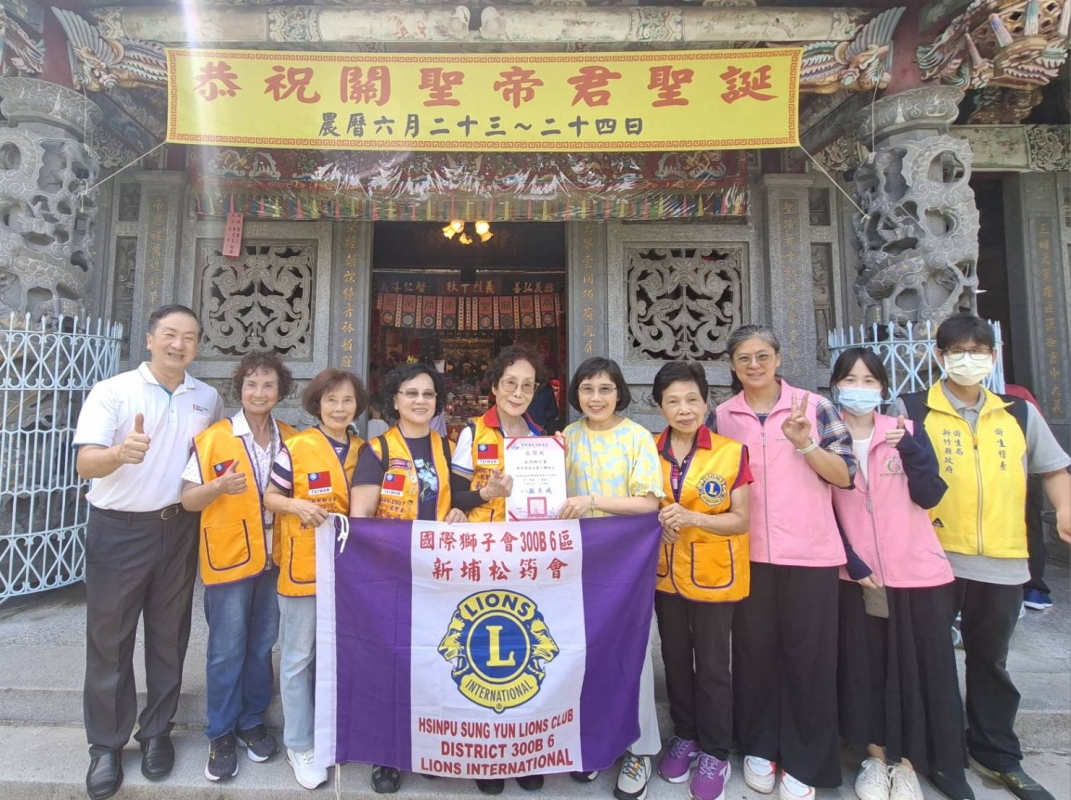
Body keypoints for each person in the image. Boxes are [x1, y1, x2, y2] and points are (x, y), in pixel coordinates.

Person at [891, 315, 1070, 800]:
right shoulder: (912, 409)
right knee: (933, 662)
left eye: (978, 351)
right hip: (933, 558)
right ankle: (942, 755)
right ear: (939, 355)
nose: (967, 359)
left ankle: (997, 754)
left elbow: (1053, 468)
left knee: (990, 660)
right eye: (957, 351)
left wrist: (1065, 508)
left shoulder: (1017, 413)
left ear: (993, 356)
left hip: (1004, 558)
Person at [74, 304, 224, 800]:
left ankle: (157, 730)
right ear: (150, 338)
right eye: (170, 335)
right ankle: (106, 746)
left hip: (177, 528)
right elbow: (85, 464)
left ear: (198, 346)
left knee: (169, 636)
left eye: (190, 337)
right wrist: (120, 454)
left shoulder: (207, 398)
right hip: (118, 530)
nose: (179, 345)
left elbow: (209, 462)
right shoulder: (114, 390)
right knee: (110, 641)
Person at [713, 324, 855, 800]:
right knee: (754, 654)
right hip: (747, 553)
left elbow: (845, 475)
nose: (753, 365)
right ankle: (758, 746)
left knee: (809, 659)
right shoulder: (723, 416)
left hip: (810, 553)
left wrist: (805, 443)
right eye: (743, 358)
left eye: (762, 356)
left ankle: (806, 758)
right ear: (732, 366)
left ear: (777, 359)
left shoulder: (815, 407)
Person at [829, 347, 970, 800]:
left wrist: (910, 450)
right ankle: (874, 757)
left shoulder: (906, 431)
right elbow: (822, 508)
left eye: (869, 381)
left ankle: (908, 763)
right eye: (850, 380)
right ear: (835, 386)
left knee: (918, 670)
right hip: (858, 577)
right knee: (865, 668)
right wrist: (851, 560)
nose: (860, 388)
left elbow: (930, 495)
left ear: (884, 388)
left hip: (917, 572)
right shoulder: (825, 438)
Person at [180, 352, 297, 782]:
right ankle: (221, 733)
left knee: (262, 643)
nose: (259, 393)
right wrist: (217, 486)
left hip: (275, 557)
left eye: (268, 385)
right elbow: (188, 500)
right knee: (226, 647)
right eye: (251, 385)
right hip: (229, 556)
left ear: (280, 391)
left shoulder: (292, 438)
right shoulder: (214, 438)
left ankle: (252, 721)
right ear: (239, 390)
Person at [350, 362, 466, 794]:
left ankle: (432, 747)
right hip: (391, 578)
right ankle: (387, 753)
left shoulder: (447, 447)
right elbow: (361, 517)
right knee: (391, 665)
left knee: (436, 662)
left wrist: (465, 508)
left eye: (428, 394)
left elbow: (461, 497)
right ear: (395, 400)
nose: (420, 401)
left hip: (438, 576)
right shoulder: (377, 450)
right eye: (411, 393)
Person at [558, 357, 663, 800]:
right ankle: (598, 740)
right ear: (576, 394)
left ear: (619, 392)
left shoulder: (637, 437)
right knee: (588, 654)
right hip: (579, 564)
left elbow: (649, 503)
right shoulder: (566, 438)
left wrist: (592, 500)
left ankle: (640, 749)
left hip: (625, 565)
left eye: (605, 388)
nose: (596, 398)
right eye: (587, 389)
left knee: (631, 655)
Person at [448, 343, 547, 794]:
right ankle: (485, 755)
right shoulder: (472, 432)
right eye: (510, 383)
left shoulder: (543, 438)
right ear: (494, 386)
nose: (518, 392)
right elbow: (454, 496)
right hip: (480, 554)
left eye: (527, 385)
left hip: (525, 558)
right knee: (479, 652)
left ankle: (523, 751)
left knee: (523, 649)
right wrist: (487, 495)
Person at [651, 362, 751, 800]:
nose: (684, 409)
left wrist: (693, 518)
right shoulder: (648, 451)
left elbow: (741, 519)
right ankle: (685, 735)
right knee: (674, 660)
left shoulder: (731, 452)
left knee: (712, 666)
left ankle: (715, 750)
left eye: (692, 399)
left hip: (714, 576)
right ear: (659, 406)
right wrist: (658, 524)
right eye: (673, 401)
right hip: (665, 577)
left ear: (707, 402)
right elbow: (641, 506)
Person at [263, 369, 367, 791]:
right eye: (331, 400)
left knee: (338, 656)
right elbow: (270, 497)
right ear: (317, 404)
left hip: (349, 571)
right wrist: (296, 505)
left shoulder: (365, 449)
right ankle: (299, 744)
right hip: (303, 567)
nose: (339, 408)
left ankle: (332, 732)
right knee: (298, 658)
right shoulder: (297, 447)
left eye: (347, 400)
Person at [1002, 384, 1052, 611]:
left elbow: (1038, 438)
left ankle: (1033, 585)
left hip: (1017, 471)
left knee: (1027, 524)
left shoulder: (1016, 394)